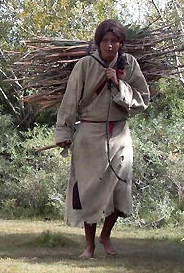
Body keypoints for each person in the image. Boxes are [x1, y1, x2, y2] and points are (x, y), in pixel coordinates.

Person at [55, 19, 150, 259]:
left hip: (119, 135)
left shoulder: (129, 65)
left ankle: (105, 235)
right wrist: (64, 133)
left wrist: (119, 84)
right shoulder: (85, 65)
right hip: (89, 137)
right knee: (89, 192)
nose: (110, 45)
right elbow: (69, 102)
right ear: (98, 42)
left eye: (114, 41)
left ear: (121, 43)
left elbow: (142, 100)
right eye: (105, 41)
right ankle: (89, 246)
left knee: (120, 189)